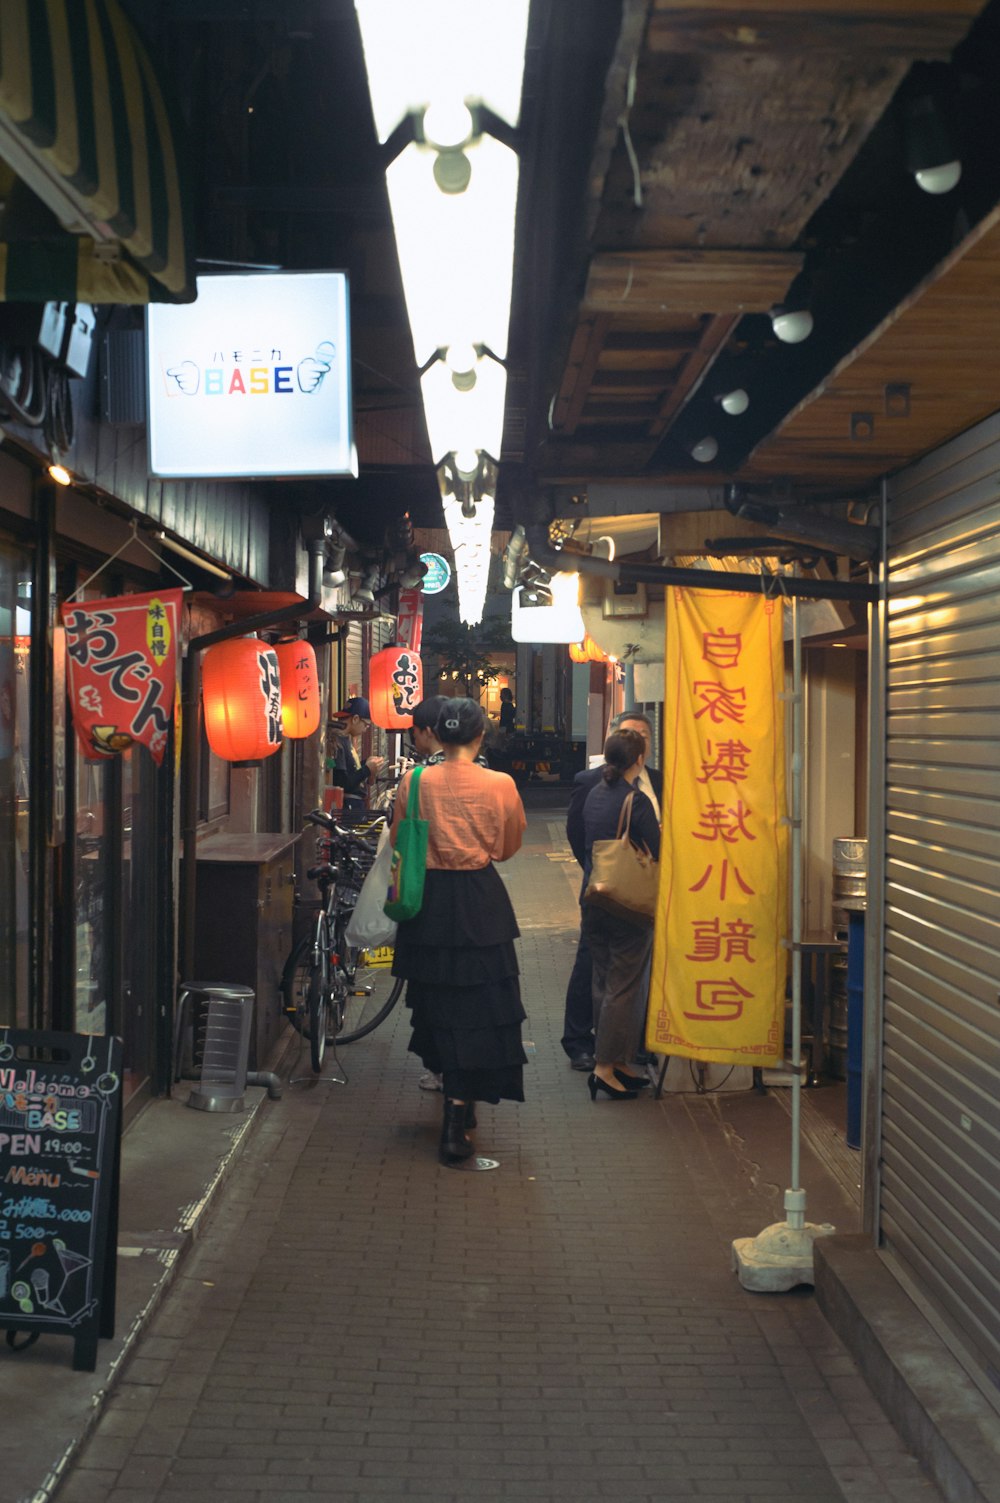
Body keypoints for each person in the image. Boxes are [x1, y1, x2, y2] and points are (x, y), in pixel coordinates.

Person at [389, 698, 527, 1166]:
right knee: (482, 1007)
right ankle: (459, 1111)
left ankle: (453, 1100)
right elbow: (507, 847)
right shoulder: (501, 783)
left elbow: (397, 839)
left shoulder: (415, 780)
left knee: (438, 1005)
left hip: (428, 904)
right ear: (479, 737)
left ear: (438, 737)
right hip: (479, 903)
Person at [561, 710, 662, 1070]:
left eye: (643, 734)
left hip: (605, 896)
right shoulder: (617, 792)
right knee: (617, 980)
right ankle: (605, 1059)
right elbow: (578, 838)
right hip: (618, 897)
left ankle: (619, 1055)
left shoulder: (654, 783)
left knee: (606, 979)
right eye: (631, 735)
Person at [327, 696, 384, 805]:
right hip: (348, 807)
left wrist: (366, 763)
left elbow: (350, 771)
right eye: (366, 724)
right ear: (355, 719)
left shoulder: (344, 738)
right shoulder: (337, 741)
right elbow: (342, 783)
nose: (366, 728)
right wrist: (367, 769)